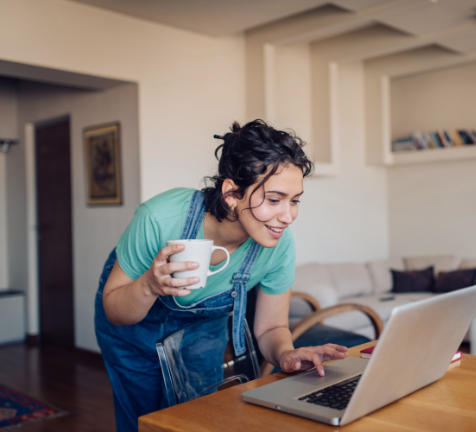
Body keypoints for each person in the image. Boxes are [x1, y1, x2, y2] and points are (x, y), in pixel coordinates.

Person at [94, 119, 349, 431]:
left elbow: (271, 327)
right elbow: (114, 309)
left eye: (294, 201)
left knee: (198, 417)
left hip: (202, 328)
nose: (288, 216)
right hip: (133, 318)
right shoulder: (161, 218)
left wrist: (286, 354)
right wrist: (149, 285)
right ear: (231, 193)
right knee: (144, 420)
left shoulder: (278, 245)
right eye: (274, 200)